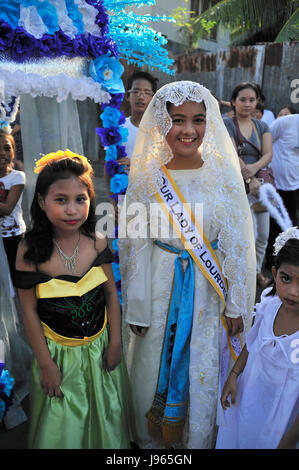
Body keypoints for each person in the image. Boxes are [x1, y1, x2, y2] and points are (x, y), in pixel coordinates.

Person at [118, 81, 256, 449]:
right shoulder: (146, 180)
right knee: (150, 364)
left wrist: (236, 302)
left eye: (198, 120)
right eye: (177, 119)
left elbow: (239, 245)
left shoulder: (223, 178)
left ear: (210, 124)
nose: (188, 130)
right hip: (158, 290)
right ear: (161, 122)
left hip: (208, 297)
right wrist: (139, 305)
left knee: (202, 364)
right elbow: (134, 247)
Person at [15, 150, 134, 449]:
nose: (72, 209)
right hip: (59, 356)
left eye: (80, 199)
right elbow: (28, 310)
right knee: (64, 425)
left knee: (106, 416)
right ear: (41, 202)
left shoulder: (96, 239)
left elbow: (109, 292)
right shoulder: (29, 250)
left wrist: (116, 342)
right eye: (61, 200)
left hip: (100, 349)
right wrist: (45, 364)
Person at [216, 227, 299, 449]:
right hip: (248, 402)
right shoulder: (270, 307)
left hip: (282, 423)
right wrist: (234, 375)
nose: (293, 292)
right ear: (274, 273)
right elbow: (252, 345)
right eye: (286, 278)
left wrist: (288, 442)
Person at [223, 82, 273, 288]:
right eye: (242, 99)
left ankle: (256, 271)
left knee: (263, 233)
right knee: (246, 234)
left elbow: (268, 154)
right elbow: (232, 153)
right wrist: (248, 178)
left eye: (252, 100)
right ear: (233, 102)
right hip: (238, 186)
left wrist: (254, 170)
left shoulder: (262, 126)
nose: (247, 104)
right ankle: (244, 274)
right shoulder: (228, 124)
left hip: (260, 187)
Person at [104, 70, 158, 211]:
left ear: (153, 98)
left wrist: (137, 164)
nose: (141, 96)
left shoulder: (160, 132)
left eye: (147, 92)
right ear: (128, 96)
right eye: (136, 91)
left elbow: (166, 167)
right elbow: (108, 167)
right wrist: (112, 201)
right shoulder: (118, 129)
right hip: (125, 199)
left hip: (154, 200)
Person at [264, 113, 299, 270]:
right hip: (276, 186)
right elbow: (265, 142)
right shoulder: (286, 122)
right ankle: (270, 264)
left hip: (295, 186)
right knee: (272, 228)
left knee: (290, 227)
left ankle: (284, 263)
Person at [0, 129, 26, 282]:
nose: (2, 153)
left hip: (13, 237)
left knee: (16, 279)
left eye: (7, 147)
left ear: (14, 152)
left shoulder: (17, 177)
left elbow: (8, 208)